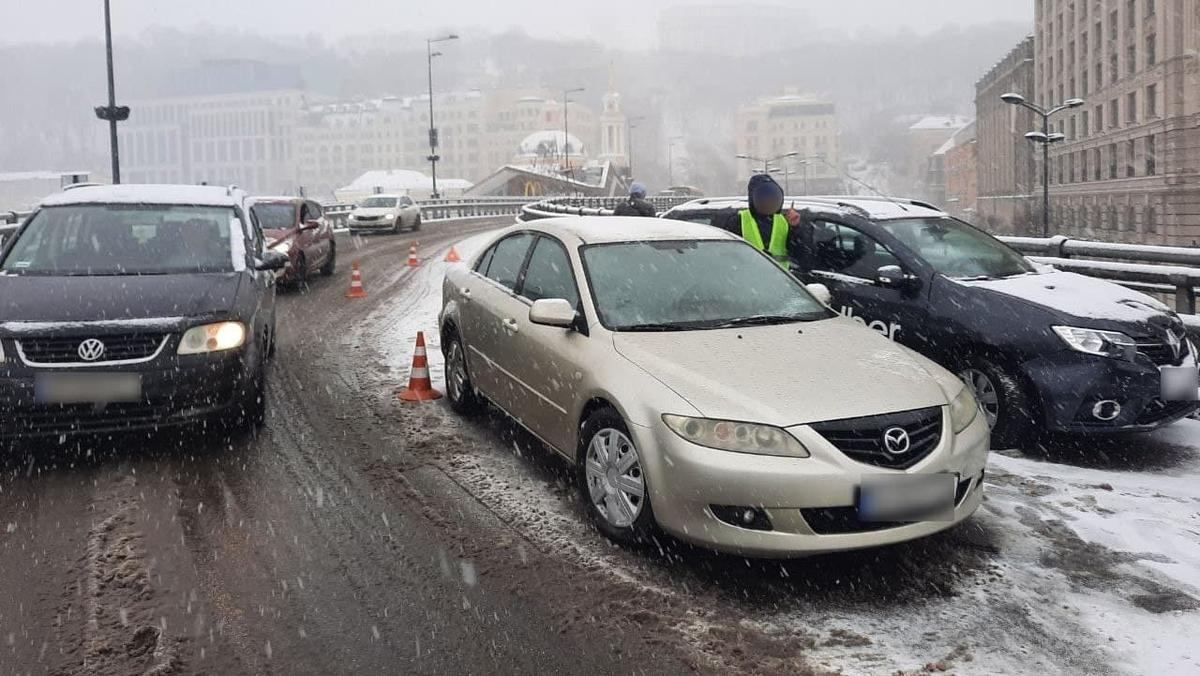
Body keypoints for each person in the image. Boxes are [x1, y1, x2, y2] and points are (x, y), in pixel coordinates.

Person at [715, 174, 800, 267]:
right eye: (764, 198)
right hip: (749, 275)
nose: (768, 202)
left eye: (772, 198)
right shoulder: (738, 221)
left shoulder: (785, 221)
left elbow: (800, 256)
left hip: (779, 275)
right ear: (753, 199)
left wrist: (795, 227)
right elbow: (727, 255)